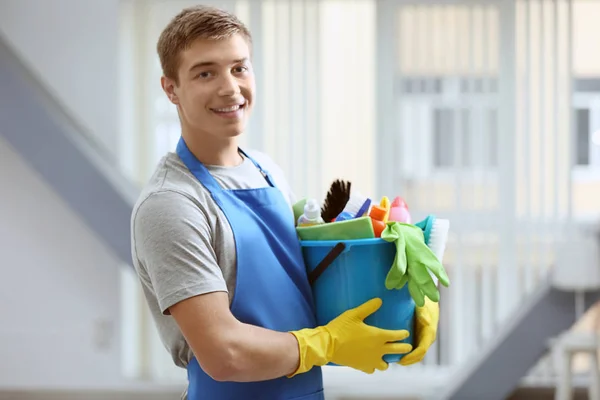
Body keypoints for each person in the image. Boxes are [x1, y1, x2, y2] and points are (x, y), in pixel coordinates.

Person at [130, 5, 440, 400]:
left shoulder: (266, 171)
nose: (230, 87)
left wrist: (406, 309)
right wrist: (325, 344)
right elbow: (223, 352)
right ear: (171, 88)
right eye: (205, 72)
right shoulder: (172, 204)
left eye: (239, 68)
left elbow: (313, 289)